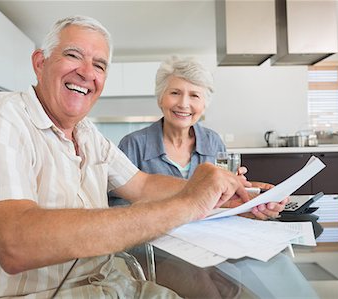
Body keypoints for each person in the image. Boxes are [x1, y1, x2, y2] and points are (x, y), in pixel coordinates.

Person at [0, 16, 285, 299]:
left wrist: (228, 197)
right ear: (40, 62)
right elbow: (17, 243)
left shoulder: (87, 133)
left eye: (99, 64)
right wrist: (189, 202)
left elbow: (141, 183)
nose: (87, 72)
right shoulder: (0, 115)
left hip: (100, 284)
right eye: (73, 55)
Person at [110, 56, 288, 298]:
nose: (184, 103)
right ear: (161, 98)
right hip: (156, 251)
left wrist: (250, 199)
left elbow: (224, 198)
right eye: (175, 92)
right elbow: (117, 208)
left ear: (204, 104)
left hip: (210, 245)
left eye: (194, 95)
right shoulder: (133, 144)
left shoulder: (213, 142)